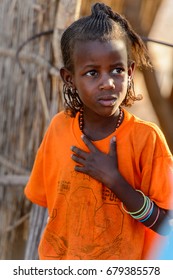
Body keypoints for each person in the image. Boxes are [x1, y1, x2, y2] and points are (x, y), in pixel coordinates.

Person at [24, 3, 173, 260]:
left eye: (117, 70)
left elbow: (167, 226)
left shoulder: (146, 139)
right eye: (92, 73)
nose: (108, 83)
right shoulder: (59, 129)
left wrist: (116, 181)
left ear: (130, 72)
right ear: (69, 78)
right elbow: (47, 202)